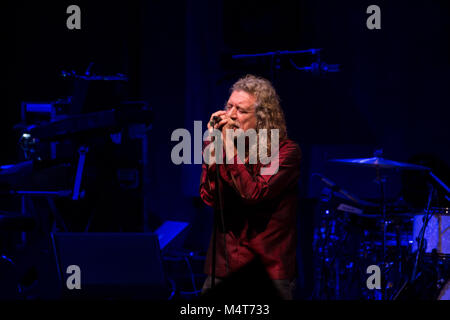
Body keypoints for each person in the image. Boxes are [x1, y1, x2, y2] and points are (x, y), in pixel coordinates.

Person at [199, 74, 302, 299]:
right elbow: (209, 197)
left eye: (242, 110)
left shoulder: (285, 152)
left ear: (262, 118)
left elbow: (253, 193)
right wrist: (214, 147)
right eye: (229, 107)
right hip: (222, 268)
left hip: (267, 273)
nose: (231, 116)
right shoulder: (224, 146)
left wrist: (227, 147)